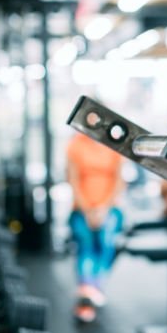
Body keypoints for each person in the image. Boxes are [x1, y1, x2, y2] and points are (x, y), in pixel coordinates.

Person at [66, 131, 125, 323]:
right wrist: (87, 210)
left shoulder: (113, 146)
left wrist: (103, 209)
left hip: (108, 209)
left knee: (106, 245)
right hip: (82, 209)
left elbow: (118, 180)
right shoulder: (76, 145)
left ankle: (92, 289)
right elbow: (73, 180)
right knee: (86, 247)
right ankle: (88, 294)